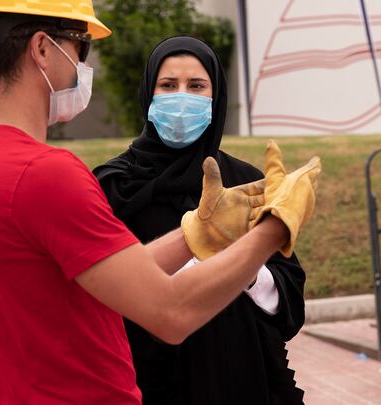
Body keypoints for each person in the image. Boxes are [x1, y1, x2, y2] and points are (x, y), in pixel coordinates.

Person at [0, 0, 319, 404]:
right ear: (41, 48)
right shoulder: (44, 175)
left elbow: (97, 283)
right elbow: (170, 312)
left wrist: (199, 232)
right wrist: (274, 227)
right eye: (81, 46)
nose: (82, 63)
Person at [94, 35, 306, 404]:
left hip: (240, 374)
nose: (181, 98)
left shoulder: (246, 181)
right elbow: (97, 297)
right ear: (148, 93)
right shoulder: (112, 185)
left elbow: (288, 299)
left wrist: (247, 267)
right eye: (168, 85)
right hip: (146, 379)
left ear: (216, 96)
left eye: (196, 86)